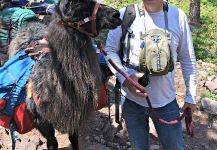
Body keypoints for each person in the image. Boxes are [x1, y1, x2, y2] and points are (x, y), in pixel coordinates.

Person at [105, 0, 197, 149]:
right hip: (131, 101)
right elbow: (109, 50)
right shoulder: (125, 15)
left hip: (166, 102)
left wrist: (191, 95)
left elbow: (187, 58)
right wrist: (126, 79)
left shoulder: (178, 17)